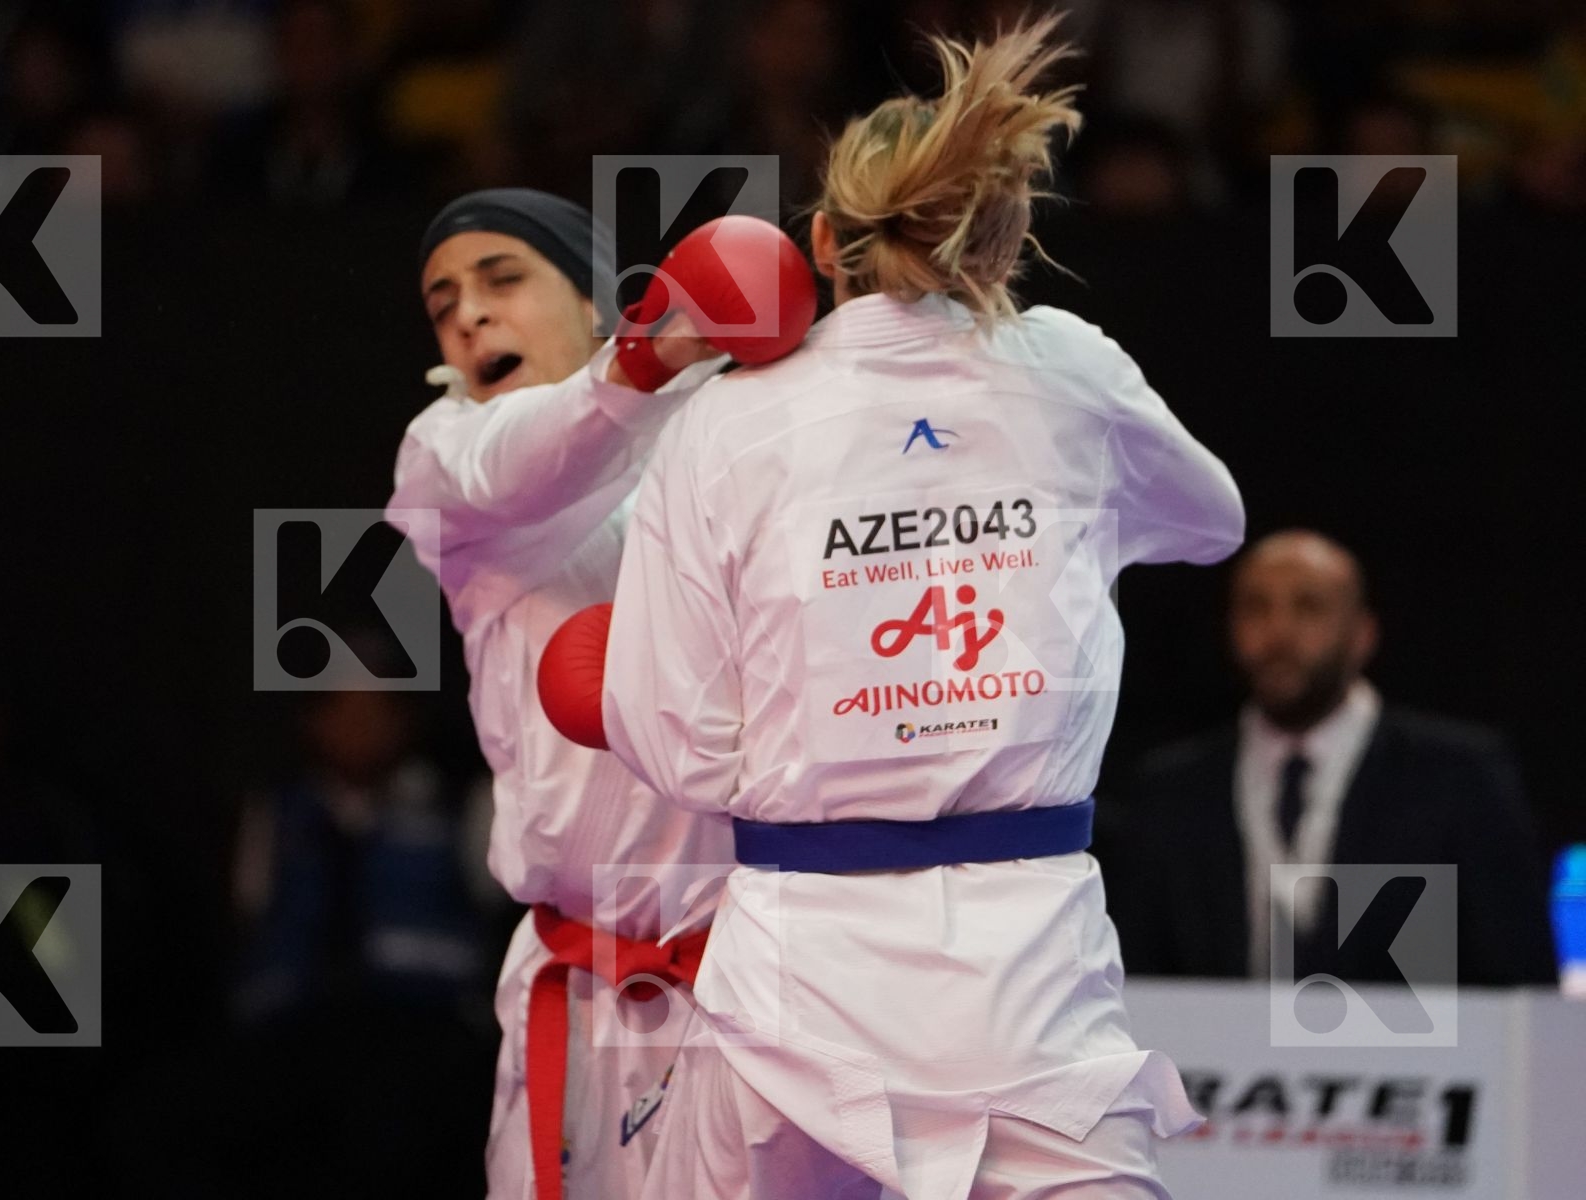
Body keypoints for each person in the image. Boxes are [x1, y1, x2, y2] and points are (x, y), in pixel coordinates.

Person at [567, 21, 1246, 1199]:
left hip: (797, 971)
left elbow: (663, 729)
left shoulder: (728, 419)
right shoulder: (1070, 370)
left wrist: (820, 759)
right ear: (1009, 234)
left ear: (822, 241)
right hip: (1031, 976)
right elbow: (1214, 523)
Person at [387, 189, 808, 1198]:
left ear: (596, 302)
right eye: (444, 301)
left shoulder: (728, 434)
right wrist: (648, 356)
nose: (470, 314)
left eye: (502, 279)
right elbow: (524, 464)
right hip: (584, 989)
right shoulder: (446, 456)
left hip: (764, 970)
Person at [1105, 530, 1555, 986]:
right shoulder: (1172, 792)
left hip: (1411, 1054)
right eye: (1256, 607)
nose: (1278, 633)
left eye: (1309, 606)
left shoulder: (1457, 779)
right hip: (1207, 1057)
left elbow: (1520, 977)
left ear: (1363, 634)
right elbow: (1133, 978)